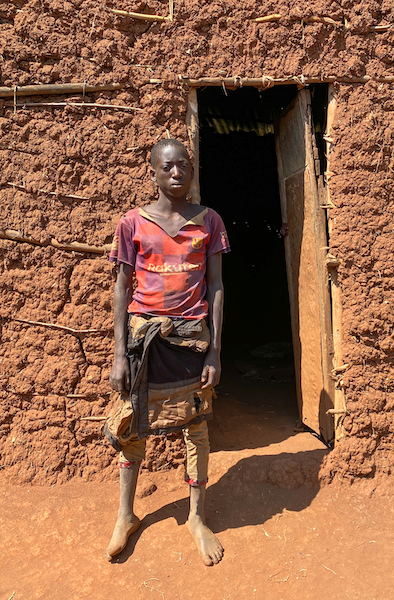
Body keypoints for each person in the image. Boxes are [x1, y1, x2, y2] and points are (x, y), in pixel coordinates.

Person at [104, 138, 230, 565]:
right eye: (168, 167)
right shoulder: (132, 223)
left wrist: (214, 350)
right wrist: (120, 354)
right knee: (133, 424)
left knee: (196, 426)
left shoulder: (209, 221)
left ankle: (197, 518)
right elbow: (122, 289)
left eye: (184, 166)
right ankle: (125, 516)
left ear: (192, 170)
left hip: (192, 339)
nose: (177, 174)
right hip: (145, 340)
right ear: (153, 172)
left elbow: (215, 287)